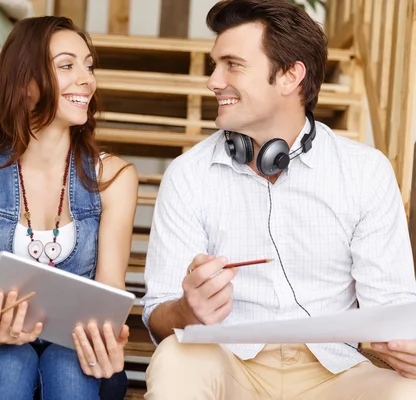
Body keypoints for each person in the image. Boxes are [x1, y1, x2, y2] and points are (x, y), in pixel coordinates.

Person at [141, 0, 416, 399]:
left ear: (290, 76)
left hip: (335, 373)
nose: (213, 81)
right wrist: (188, 310)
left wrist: (405, 346)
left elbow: (393, 306)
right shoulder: (188, 175)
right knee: (174, 358)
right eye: (214, 65)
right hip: (228, 363)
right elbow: (158, 319)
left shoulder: (365, 172)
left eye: (232, 65)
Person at [0, 16, 138, 400]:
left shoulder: (115, 177)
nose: (87, 79)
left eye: (88, 65)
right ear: (25, 83)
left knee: (66, 362)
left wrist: (108, 337)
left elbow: (111, 288)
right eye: (67, 65)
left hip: (82, 361)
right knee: (12, 360)